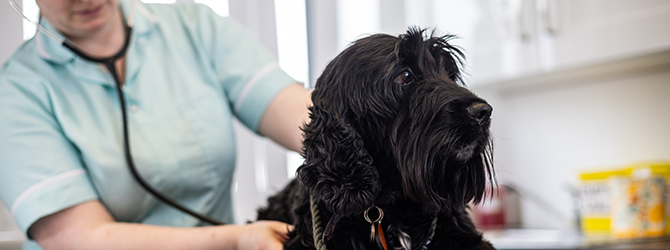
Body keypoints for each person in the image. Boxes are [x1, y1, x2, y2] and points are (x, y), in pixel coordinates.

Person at [0, 0, 312, 249]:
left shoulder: (195, 27)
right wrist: (235, 241)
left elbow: (291, 110)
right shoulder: (16, 91)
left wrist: (349, 128)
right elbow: (74, 235)